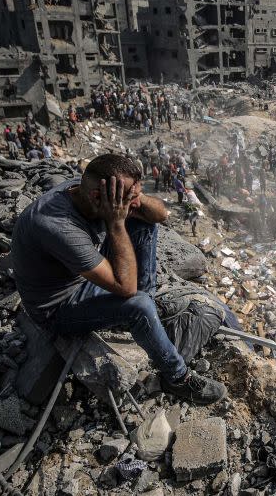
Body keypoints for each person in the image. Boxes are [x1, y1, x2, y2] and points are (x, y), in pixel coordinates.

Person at [11, 154, 226, 405]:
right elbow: (126, 288)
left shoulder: (92, 191)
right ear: (97, 197)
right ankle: (178, 379)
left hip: (82, 277)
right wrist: (115, 223)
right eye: (126, 199)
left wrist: (137, 198)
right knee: (139, 306)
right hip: (56, 308)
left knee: (144, 223)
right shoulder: (57, 225)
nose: (131, 204)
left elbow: (161, 215)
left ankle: (146, 307)